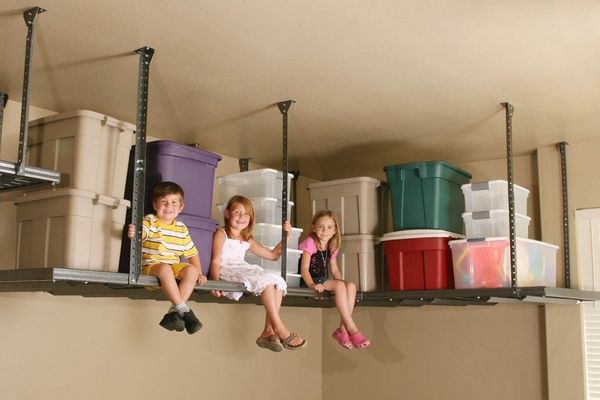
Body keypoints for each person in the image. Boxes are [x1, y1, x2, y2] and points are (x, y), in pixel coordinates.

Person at [210, 195, 306, 352]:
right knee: (266, 280)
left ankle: (268, 329)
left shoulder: (247, 237)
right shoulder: (222, 233)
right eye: (237, 212)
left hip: (243, 268)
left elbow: (273, 255)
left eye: (246, 214)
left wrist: (286, 237)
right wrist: (215, 283)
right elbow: (215, 261)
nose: (242, 217)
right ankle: (280, 328)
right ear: (227, 214)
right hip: (228, 270)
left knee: (277, 281)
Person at [127, 181, 207, 334]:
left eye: (173, 202)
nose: (168, 206)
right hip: (151, 267)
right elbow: (141, 232)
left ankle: (174, 313)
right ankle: (184, 310)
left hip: (172, 268)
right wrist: (135, 232)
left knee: (191, 271)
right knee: (164, 268)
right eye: (163, 202)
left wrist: (200, 273)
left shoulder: (181, 228)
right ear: (155, 205)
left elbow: (192, 253)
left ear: (180, 207)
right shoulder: (150, 221)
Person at [298, 209, 371, 349]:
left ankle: (342, 330)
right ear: (313, 228)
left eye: (329, 227)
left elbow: (334, 269)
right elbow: (304, 269)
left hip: (322, 279)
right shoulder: (310, 243)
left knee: (351, 286)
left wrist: (342, 282)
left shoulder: (332, 246)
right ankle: (351, 329)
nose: (325, 230)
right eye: (321, 226)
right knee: (339, 286)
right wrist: (311, 285)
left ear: (334, 230)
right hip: (309, 280)